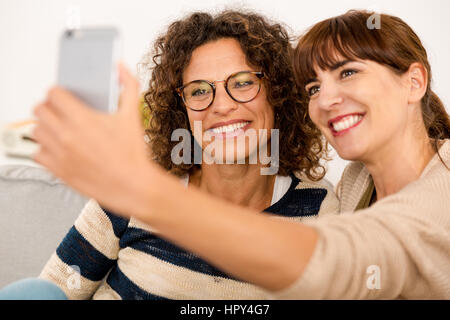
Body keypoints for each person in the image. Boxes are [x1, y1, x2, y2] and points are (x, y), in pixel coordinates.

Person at [8, 10, 450, 299]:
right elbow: (50, 290)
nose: (221, 105)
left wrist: (145, 192)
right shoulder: (359, 182)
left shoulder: (322, 204)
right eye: (200, 91)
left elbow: (338, 261)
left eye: (243, 82)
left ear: (277, 96)